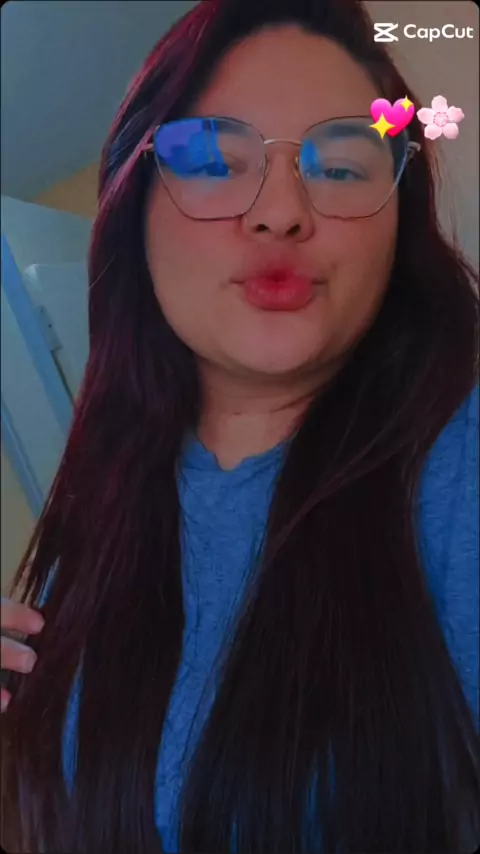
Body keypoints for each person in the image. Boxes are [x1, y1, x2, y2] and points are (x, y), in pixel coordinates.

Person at [1, 0, 479, 851]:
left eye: (343, 166)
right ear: (134, 205)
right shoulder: (100, 516)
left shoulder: (459, 464)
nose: (281, 212)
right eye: (214, 159)